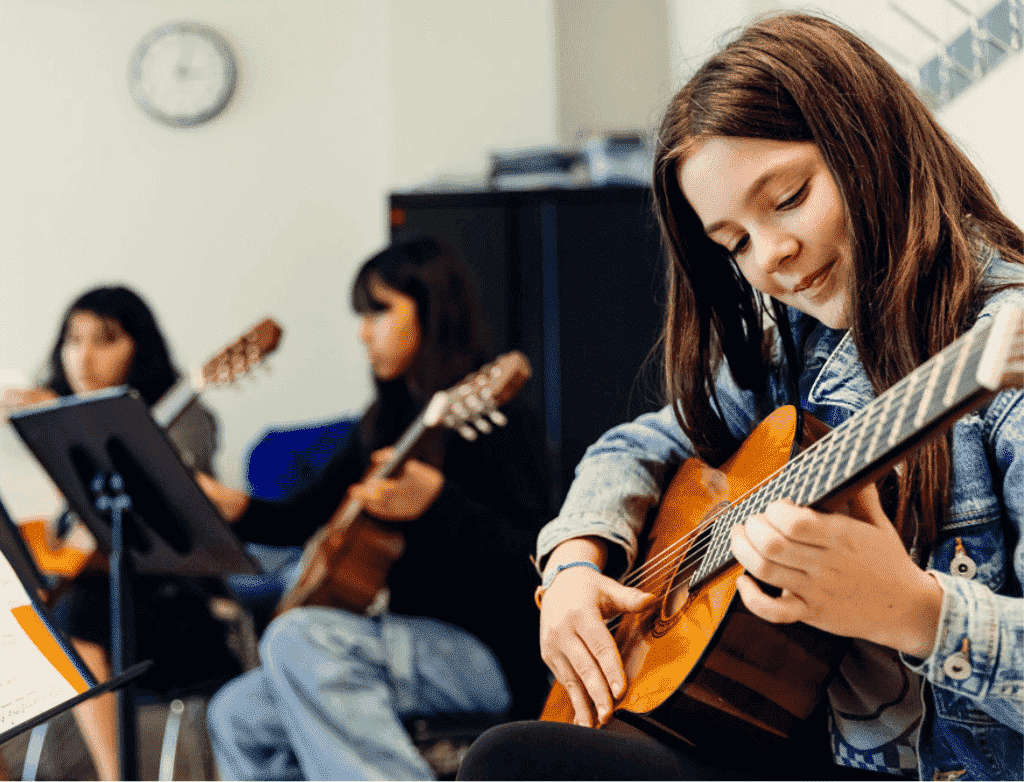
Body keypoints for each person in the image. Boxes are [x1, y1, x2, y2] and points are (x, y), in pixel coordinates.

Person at [456, 12, 1023, 782]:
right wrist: (572, 566)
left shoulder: (1001, 358)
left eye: (788, 198)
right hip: (806, 744)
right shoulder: (797, 346)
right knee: (520, 755)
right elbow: (640, 444)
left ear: (871, 140)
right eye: (735, 244)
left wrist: (916, 613)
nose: (773, 256)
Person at [202, 235, 556, 781]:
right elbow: (300, 517)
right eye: (360, 315)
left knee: (298, 638)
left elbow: (536, 561)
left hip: (487, 655)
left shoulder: (501, 424)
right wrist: (234, 505)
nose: (364, 331)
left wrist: (438, 502)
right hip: (393, 647)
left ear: (433, 312)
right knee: (237, 713)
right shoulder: (386, 422)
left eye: (380, 311)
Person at [1, 285, 241, 780]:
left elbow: (156, 529)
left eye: (104, 340)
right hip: (83, 593)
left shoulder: (187, 419)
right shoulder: (50, 424)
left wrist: (67, 428)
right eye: (74, 339)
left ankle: (116, 776)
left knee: (80, 609)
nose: (83, 357)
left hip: (171, 606)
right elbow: (66, 544)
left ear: (140, 349)